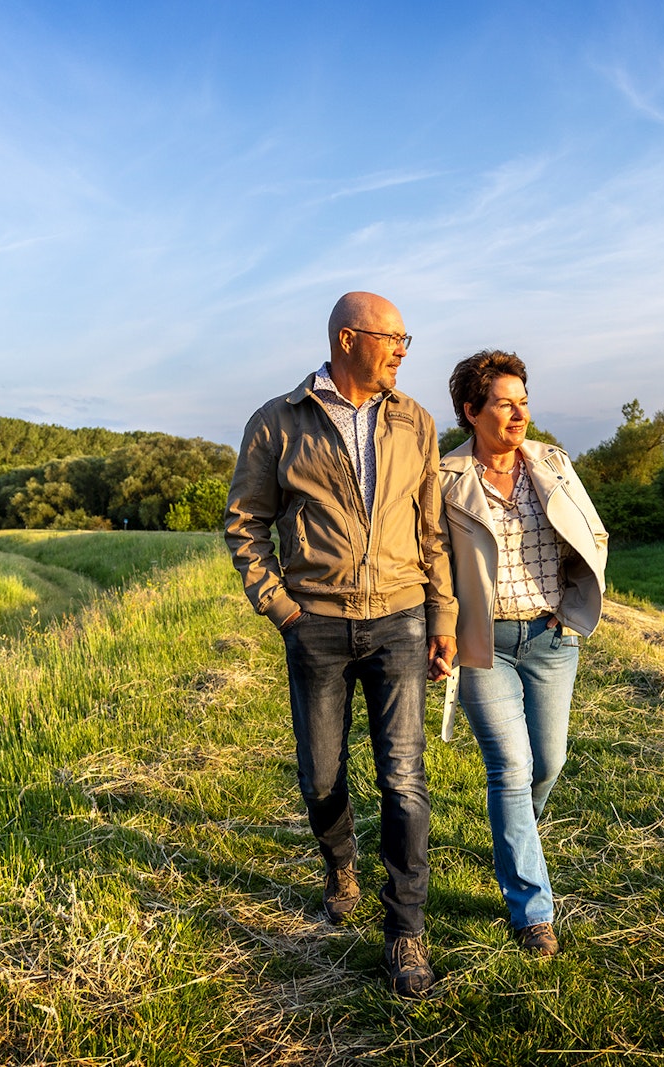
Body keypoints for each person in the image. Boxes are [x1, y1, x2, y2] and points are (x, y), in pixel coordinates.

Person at [224, 291, 457, 997]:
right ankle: (339, 864)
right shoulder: (278, 420)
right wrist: (282, 607)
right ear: (350, 338)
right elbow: (245, 523)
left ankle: (406, 931)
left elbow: (432, 529)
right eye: (394, 337)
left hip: (401, 618)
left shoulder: (414, 419)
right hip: (316, 622)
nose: (403, 350)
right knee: (322, 774)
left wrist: (442, 616)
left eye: (405, 339)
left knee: (404, 778)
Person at [438, 349, 607, 956]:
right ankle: (533, 910)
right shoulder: (444, 480)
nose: (519, 414)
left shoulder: (553, 464)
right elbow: (433, 564)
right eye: (504, 403)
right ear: (470, 411)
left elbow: (592, 531)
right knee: (509, 769)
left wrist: (574, 604)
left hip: (552, 637)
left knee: (549, 763)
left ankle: (515, 836)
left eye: (523, 401)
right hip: (486, 645)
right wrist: (443, 629)